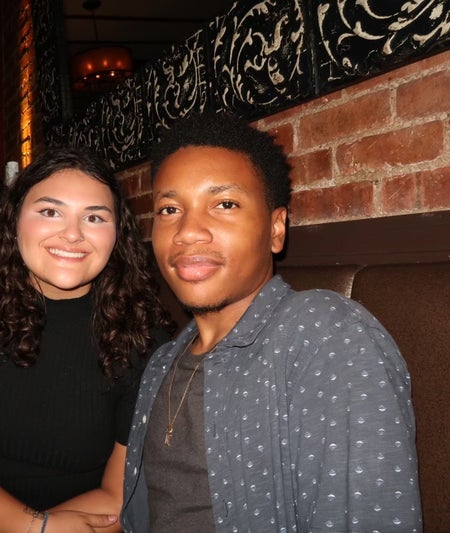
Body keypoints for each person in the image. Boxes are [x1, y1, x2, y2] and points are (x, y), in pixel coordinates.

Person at [121, 112, 422, 532]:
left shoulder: (326, 336)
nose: (187, 231)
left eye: (224, 204)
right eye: (169, 209)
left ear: (276, 229)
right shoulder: (161, 363)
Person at [0, 147, 172, 532]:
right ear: (14, 221)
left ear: (117, 234)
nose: (72, 234)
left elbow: (118, 496)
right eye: (50, 212)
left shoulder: (143, 334)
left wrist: (40, 529)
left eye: (94, 217)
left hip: (83, 517)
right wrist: (30, 528)